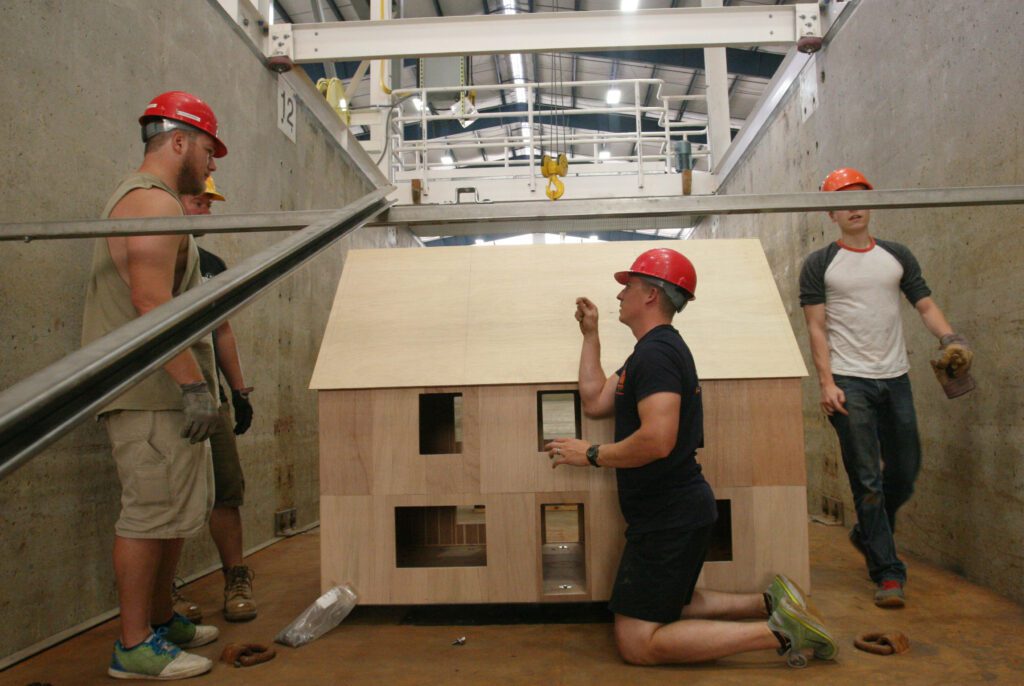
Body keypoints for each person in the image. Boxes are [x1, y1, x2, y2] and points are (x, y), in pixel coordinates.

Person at [546, 248, 837, 667]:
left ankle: (780, 632)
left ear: (651, 294)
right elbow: (594, 401)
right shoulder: (646, 354)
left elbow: (658, 440)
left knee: (637, 642)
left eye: (628, 286)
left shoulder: (658, 355)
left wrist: (590, 454)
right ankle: (770, 602)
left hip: (670, 515)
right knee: (670, 603)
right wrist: (590, 335)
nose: (620, 295)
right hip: (670, 513)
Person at [81, 90, 228, 680]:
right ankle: (134, 644)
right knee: (147, 516)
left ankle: (162, 620)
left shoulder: (159, 200)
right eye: (209, 151)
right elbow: (149, 300)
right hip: (149, 393)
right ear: (178, 141)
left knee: (171, 513)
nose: (212, 165)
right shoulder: (148, 202)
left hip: (163, 391)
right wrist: (194, 386)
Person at [799, 167, 973, 608]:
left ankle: (866, 533)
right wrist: (826, 383)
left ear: (870, 203)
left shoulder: (897, 255)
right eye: (844, 200)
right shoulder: (820, 264)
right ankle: (888, 571)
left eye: (860, 197)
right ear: (831, 213)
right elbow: (816, 329)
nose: (854, 206)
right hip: (849, 383)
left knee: (905, 470)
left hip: (895, 378)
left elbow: (925, 305)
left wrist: (950, 338)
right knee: (868, 480)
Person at [173, 177, 258, 623]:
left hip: (211, 394)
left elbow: (221, 330)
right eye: (197, 200)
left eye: (209, 202)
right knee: (168, 495)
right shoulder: (154, 255)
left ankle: (235, 577)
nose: (206, 208)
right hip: (165, 399)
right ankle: (160, 594)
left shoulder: (211, 264)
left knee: (226, 489)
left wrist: (238, 391)